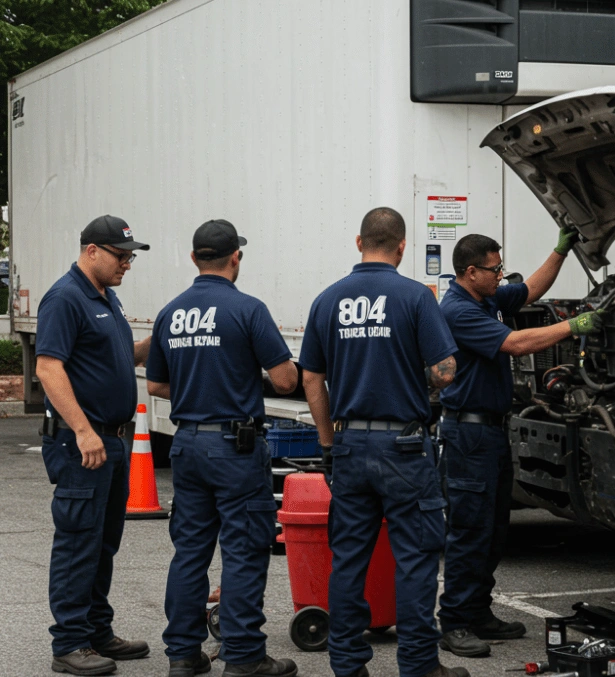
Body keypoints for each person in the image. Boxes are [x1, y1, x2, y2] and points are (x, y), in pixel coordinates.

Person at [299, 207, 467, 677]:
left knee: (349, 558)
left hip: (350, 446)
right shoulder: (415, 296)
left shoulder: (327, 300)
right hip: (404, 449)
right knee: (414, 559)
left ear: (358, 243)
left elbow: (311, 377)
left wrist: (329, 442)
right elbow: (444, 371)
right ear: (402, 247)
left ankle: (348, 665)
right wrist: (429, 381)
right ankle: (418, 665)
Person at [437, 229, 605, 658]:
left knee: (494, 529)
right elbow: (514, 344)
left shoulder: (487, 298)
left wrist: (561, 249)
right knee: (470, 530)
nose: (500, 275)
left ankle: (478, 611)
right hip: (468, 433)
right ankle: (455, 621)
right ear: (470, 271)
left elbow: (531, 288)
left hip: (491, 429)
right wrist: (573, 325)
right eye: (493, 269)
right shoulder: (457, 309)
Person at [145, 220, 300, 677]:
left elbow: (155, 383)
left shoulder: (171, 312)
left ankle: (183, 655)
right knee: (245, 549)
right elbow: (287, 379)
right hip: (236, 447)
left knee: (190, 551)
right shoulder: (248, 309)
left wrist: (199, 391)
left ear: (195, 258)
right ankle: (245, 655)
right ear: (237, 257)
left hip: (188, 443)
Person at [35, 215, 153, 676]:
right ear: (91, 252)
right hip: (84, 444)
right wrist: (83, 430)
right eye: (121, 256)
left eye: (130, 256)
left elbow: (123, 355)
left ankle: (96, 631)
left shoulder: (108, 297)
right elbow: (49, 368)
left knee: (104, 543)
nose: (127, 263)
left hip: (113, 442)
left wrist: (157, 341)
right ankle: (69, 643)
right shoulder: (66, 298)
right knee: (78, 541)